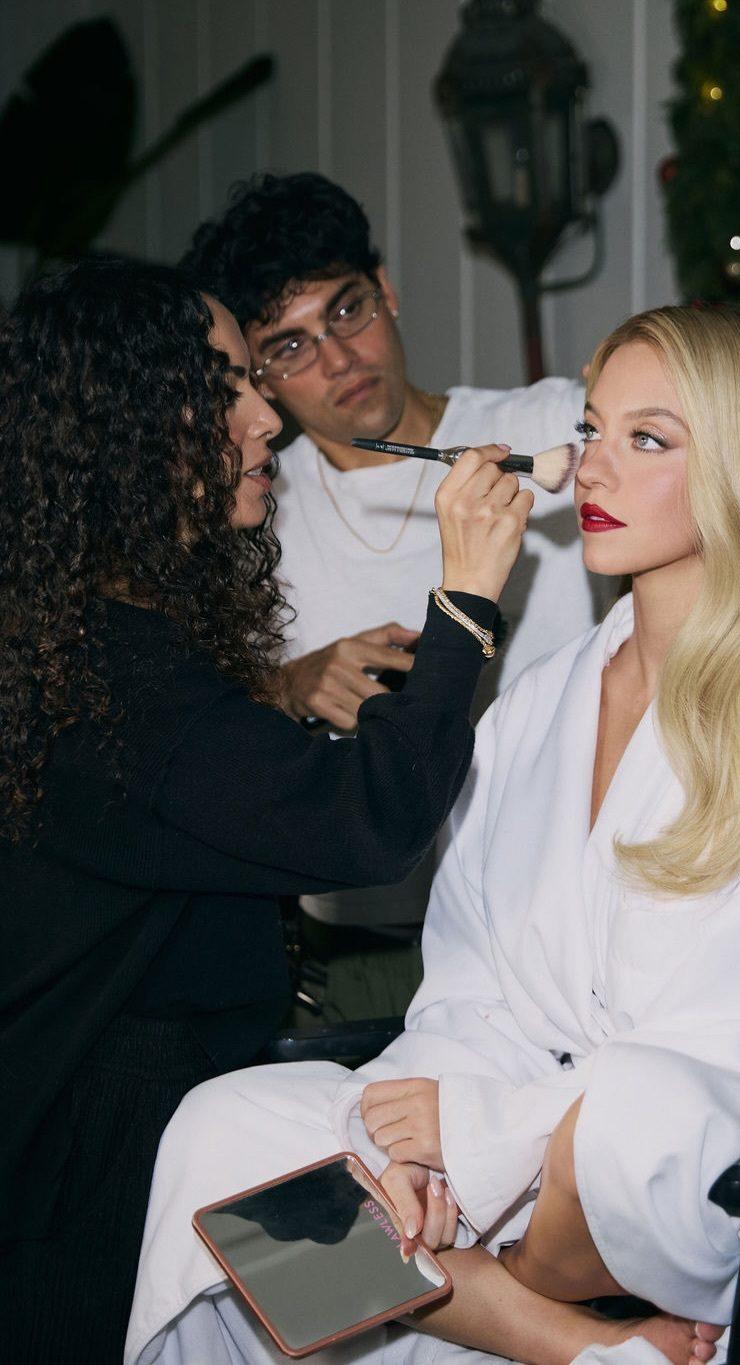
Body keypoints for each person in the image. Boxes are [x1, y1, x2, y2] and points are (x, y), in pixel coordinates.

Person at [127, 304, 740, 1365]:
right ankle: (577, 1346)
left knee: (630, 1114)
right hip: (516, 1138)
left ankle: (499, 1297)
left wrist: (483, 1136)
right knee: (225, 1126)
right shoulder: (539, 704)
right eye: (590, 428)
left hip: (716, 1187)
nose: (590, 469)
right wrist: (417, 1142)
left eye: (647, 439)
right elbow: (470, 983)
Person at [0, 256, 532, 1364]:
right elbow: (365, 822)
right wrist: (465, 606)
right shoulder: (114, 685)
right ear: (125, 430)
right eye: (227, 389)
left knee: (392, 1313)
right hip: (99, 1157)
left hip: (191, 1100)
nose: (266, 420)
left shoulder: (83, 634)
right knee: (383, 1312)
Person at [181, 171, 740, 938]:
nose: (339, 358)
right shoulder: (251, 503)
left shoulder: (561, 430)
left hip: (565, 916)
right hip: (360, 929)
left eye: (348, 309)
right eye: (289, 347)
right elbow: (184, 735)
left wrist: (702, 394)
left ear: (385, 289)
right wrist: (288, 686)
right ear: (257, 375)